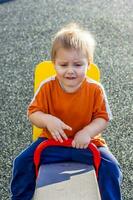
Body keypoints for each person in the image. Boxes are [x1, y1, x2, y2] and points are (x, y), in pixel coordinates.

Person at [10, 23, 122, 200]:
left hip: (87, 144)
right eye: (63, 64)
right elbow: (33, 112)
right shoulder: (47, 87)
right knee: (22, 162)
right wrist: (47, 120)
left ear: (88, 64)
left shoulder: (95, 89)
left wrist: (87, 132)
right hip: (51, 142)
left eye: (78, 64)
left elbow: (103, 118)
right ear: (54, 64)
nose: (70, 70)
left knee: (111, 166)